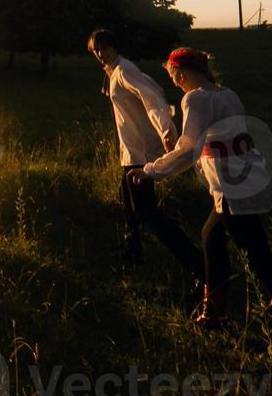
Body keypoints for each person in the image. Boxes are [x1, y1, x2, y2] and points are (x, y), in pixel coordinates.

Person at [131, 47, 272, 388]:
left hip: (233, 191)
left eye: (172, 77)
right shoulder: (227, 94)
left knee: (265, 269)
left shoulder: (196, 100)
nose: (173, 83)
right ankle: (213, 315)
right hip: (248, 181)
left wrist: (150, 171)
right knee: (210, 236)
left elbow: (188, 148)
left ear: (181, 73)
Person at [87, 29, 205, 289]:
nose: (100, 53)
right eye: (95, 49)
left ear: (115, 46)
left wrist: (165, 129)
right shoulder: (113, 72)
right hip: (130, 151)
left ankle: (200, 267)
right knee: (130, 206)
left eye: (104, 47)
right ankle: (133, 253)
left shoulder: (125, 70)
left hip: (141, 152)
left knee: (147, 212)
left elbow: (152, 98)